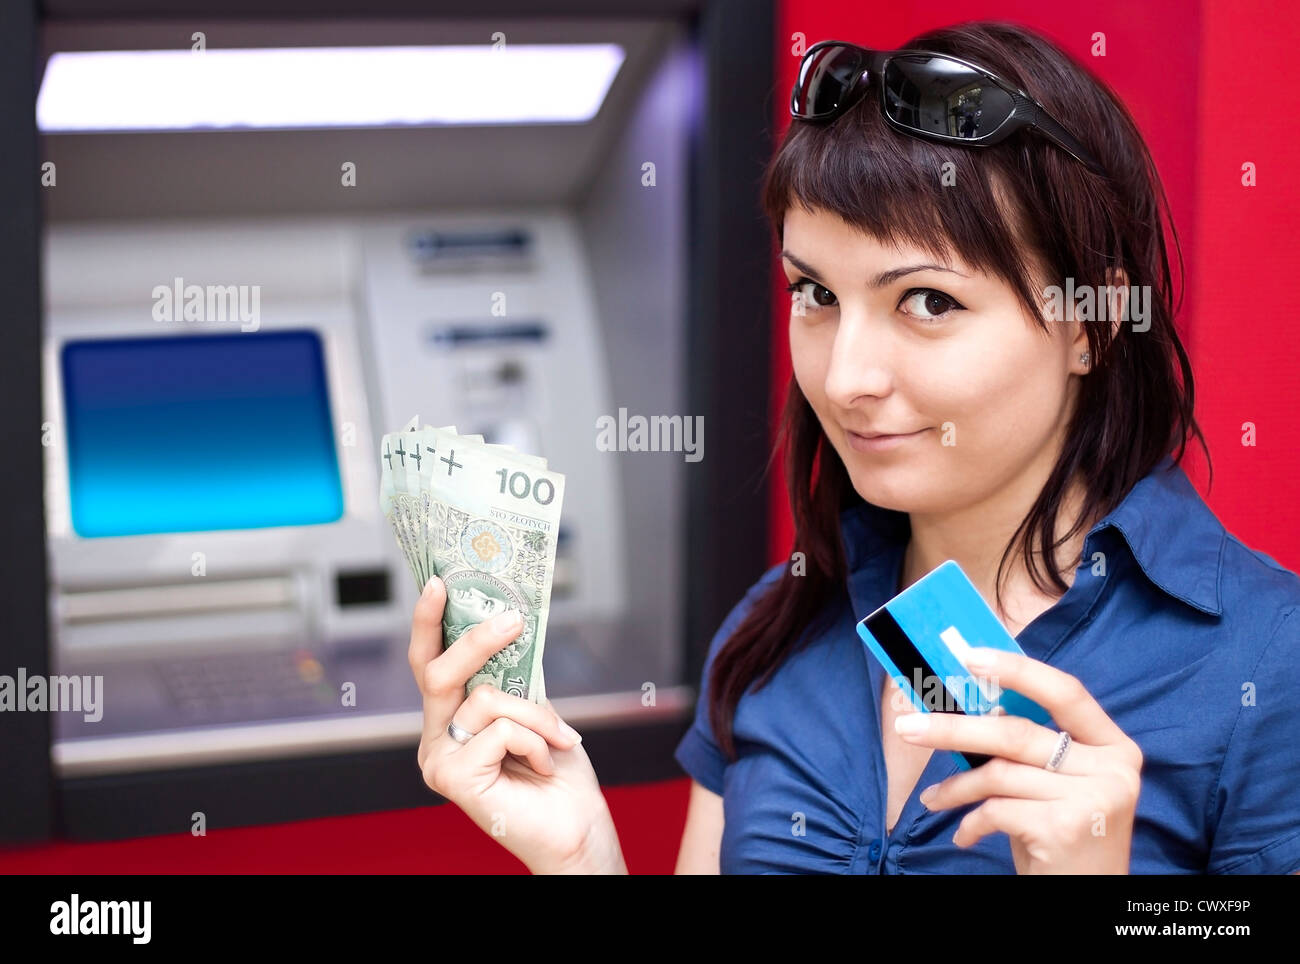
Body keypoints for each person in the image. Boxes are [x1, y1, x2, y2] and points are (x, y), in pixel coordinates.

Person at [407, 21, 1300, 874]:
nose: (844, 379)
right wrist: (581, 859)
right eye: (816, 294)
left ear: (1091, 324)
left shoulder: (1267, 663)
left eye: (928, 302)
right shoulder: (774, 629)